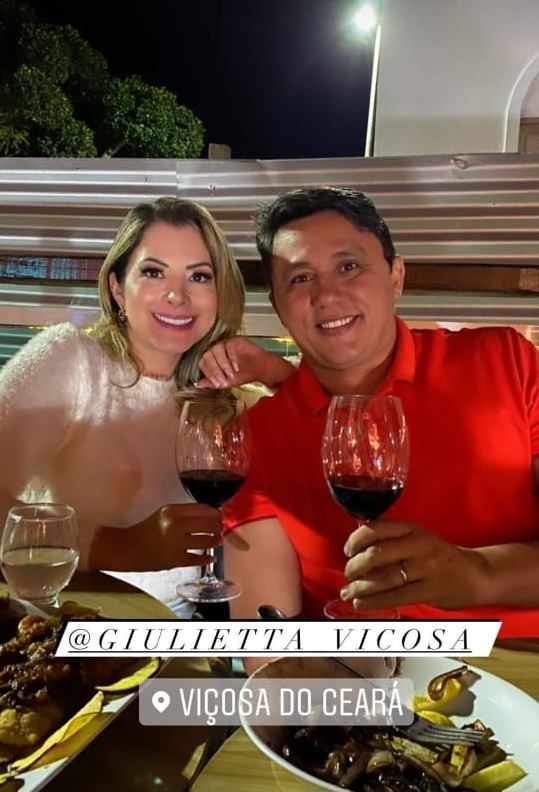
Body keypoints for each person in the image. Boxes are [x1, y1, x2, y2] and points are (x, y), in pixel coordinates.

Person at [223, 186, 539, 660]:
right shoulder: (256, 436)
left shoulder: (507, 361)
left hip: (523, 666)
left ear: (395, 276)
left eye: (349, 266)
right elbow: (268, 649)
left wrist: (477, 573)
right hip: (358, 682)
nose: (327, 295)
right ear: (278, 305)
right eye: (301, 278)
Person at [0, 196, 293, 615]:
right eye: (154, 272)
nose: (177, 295)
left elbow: (318, 427)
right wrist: (117, 546)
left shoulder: (221, 392)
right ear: (118, 288)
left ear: (219, 293)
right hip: (65, 620)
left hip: (175, 628)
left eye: (199, 276)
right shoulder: (71, 358)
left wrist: (272, 369)